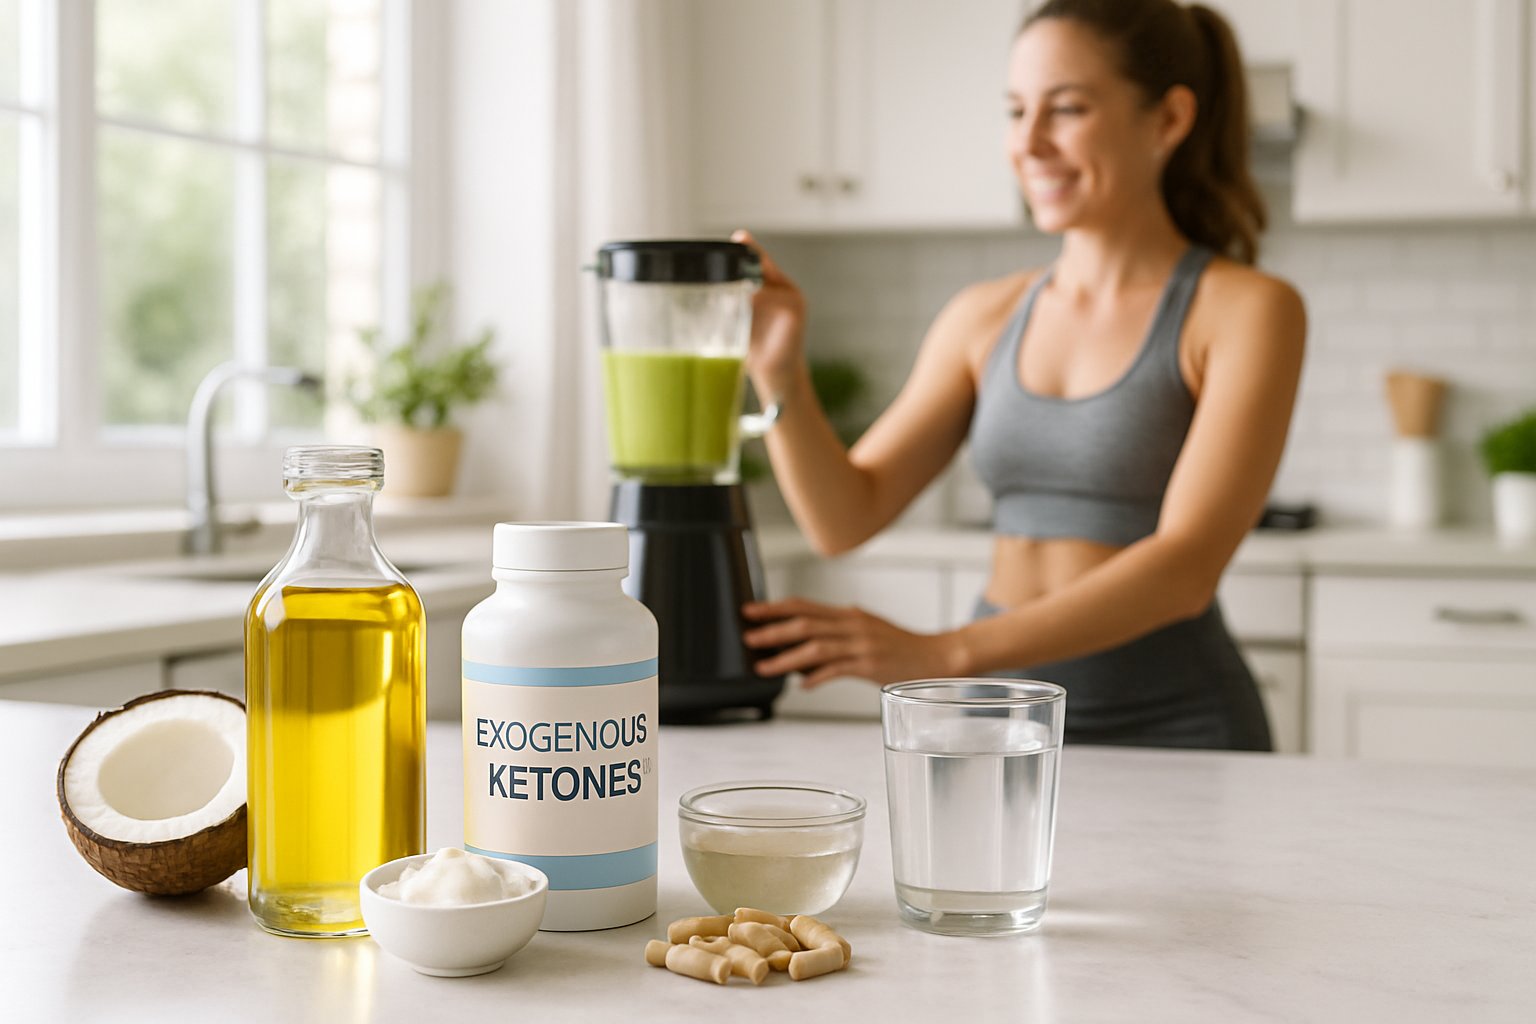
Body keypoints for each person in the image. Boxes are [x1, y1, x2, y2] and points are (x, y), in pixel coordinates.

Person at [736, 0, 1306, 751]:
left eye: (1066, 109)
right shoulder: (984, 315)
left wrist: (943, 655)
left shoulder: (1245, 310)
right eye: (1015, 111)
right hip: (1001, 724)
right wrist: (781, 374)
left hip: (1176, 724)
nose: (1029, 144)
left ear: (1168, 120)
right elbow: (845, 516)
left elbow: (1185, 567)